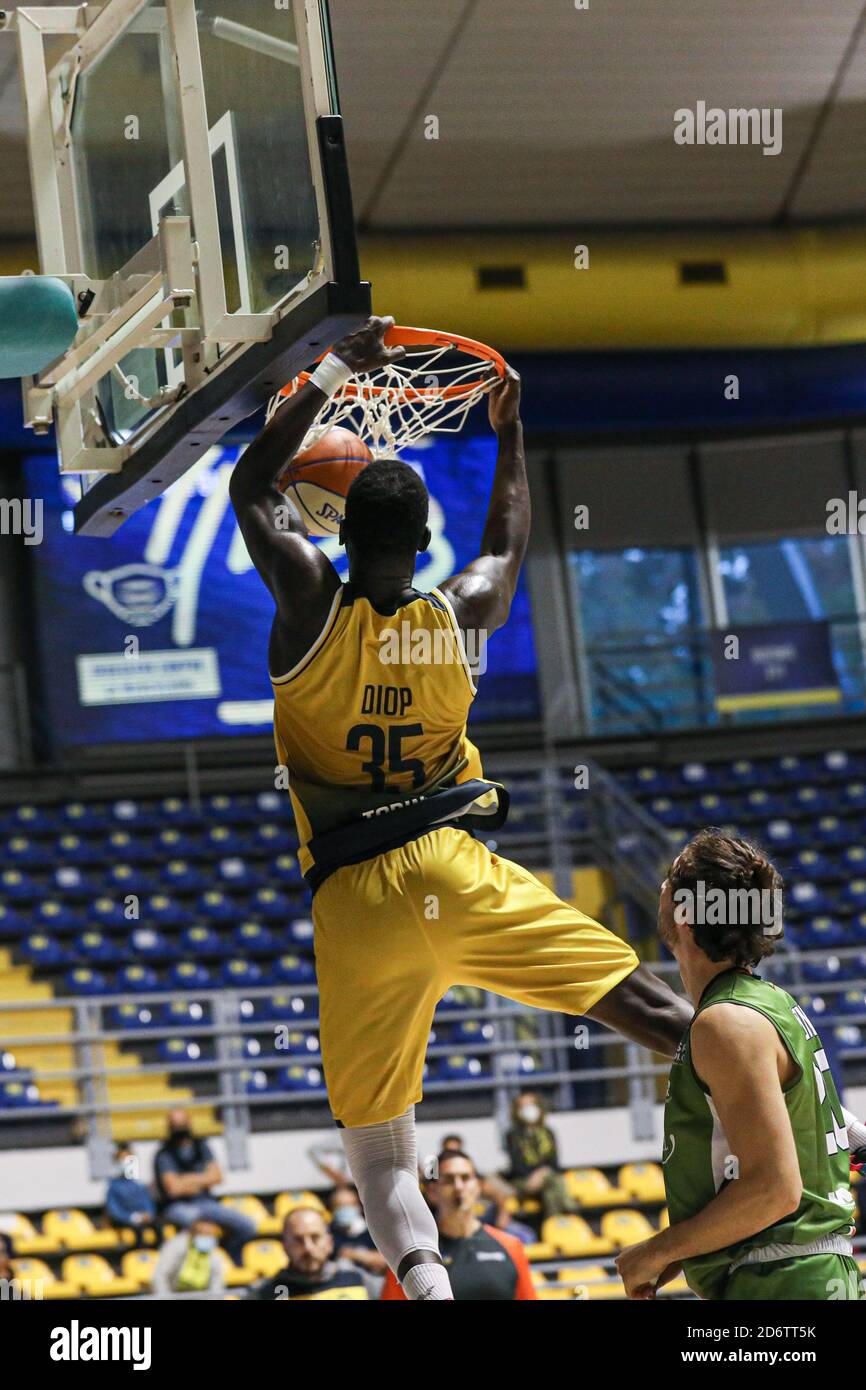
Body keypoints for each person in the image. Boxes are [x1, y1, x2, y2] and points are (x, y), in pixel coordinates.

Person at [230, 314, 693, 1300]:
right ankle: (827, 1114)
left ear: (339, 530)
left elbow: (249, 486)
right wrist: (509, 431)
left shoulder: (309, 601)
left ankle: (429, 1292)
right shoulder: (463, 610)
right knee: (647, 1008)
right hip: (451, 867)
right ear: (424, 539)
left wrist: (323, 376)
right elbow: (507, 534)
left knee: (376, 1140)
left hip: (353, 901)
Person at [616, 829, 866, 1302]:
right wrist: (688, 1249)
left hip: (786, 1280)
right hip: (791, 1272)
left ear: (685, 916)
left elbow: (775, 1189)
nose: (662, 889)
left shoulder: (727, 1023)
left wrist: (655, 1250)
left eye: (670, 880)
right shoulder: (769, 1004)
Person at [380, 1150, 536, 1300]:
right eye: (448, 1179)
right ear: (432, 1191)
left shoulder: (510, 1246)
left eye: (465, 1177)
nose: (459, 1187)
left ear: (479, 1186)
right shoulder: (412, 1254)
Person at [153, 1109, 256, 1263]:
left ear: (189, 1123)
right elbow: (174, 1189)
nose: (179, 1129)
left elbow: (217, 1177)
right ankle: (200, 1269)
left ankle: (233, 1261)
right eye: (175, 1125)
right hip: (177, 1207)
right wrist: (203, 1179)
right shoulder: (164, 1154)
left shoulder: (201, 1146)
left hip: (206, 1203)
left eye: (182, 1124)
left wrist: (186, 1179)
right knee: (201, 1226)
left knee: (247, 1226)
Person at [248, 1207, 379, 1301]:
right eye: (298, 1240)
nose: (308, 1248)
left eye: (315, 1237)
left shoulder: (358, 1280)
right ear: (284, 1246)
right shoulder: (263, 1293)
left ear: (329, 1243)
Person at [505, 1091, 576, 1219]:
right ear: (517, 1110)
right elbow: (517, 1166)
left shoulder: (548, 1132)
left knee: (550, 1187)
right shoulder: (512, 1135)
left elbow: (554, 1163)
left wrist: (541, 1174)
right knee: (554, 1180)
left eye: (531, 1105)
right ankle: (569, 1212)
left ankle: (553, 1221)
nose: (528, 1109)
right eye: (523, 1106)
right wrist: (537, 1175)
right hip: (523, 1181)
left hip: (546, 1179)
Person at [152, 1218, 224, 1299]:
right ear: (193, 1233)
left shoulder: (213, 1253)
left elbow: (216, 1285)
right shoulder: (176, 1245)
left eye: (210, 1235)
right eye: (203, 1233)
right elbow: (160, 1276)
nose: (207, 1238)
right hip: (173, 1295)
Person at [327, 1184, 387, 1282]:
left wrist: (354, 1254)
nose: (345, 1209)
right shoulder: (329, 1232)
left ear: (358, 1206)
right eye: (340, 1206)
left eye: (349, 1205)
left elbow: (386, 1260)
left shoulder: (373, 1229)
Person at [105, 1142, 156, 1231]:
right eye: (122, 1159)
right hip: (128, 1221)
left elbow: (148, 1202)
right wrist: (133, 1217)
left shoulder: (139, 1184)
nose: (126, 1162)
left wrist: (148, 1214)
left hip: (144, 1219)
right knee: (138, 1230)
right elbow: (114, 1209)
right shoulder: (114, 1186)